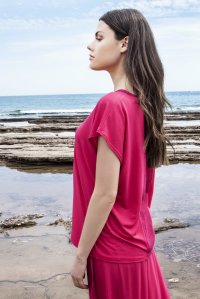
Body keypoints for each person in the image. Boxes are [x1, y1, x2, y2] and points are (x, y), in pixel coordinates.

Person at [70, 8, 173, 299]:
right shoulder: (142, 105)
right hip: (138, 245)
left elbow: (105, 193)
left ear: (124, 43)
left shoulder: (113, 105)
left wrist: (80, 256)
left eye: (99, 37)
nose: (90, 45)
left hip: (112, 250)